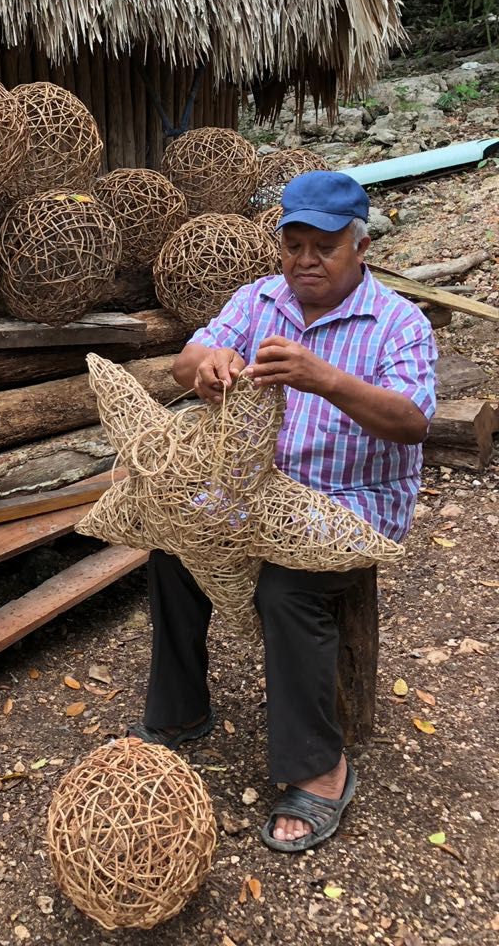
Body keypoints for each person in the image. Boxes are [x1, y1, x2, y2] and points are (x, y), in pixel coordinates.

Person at [128, 171, 437, 852]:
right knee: (174, 546)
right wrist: (205, 366)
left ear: (359, 247)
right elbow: (186, 360)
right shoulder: (259, 298)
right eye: (292, 244)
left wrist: (324, 378)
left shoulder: (398, 323)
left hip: (351, 503)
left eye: (321, 247)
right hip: (255, 491)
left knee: (286, 586)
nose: (303, 261)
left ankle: (320, 769)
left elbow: (413, 422)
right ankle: (180, 714)